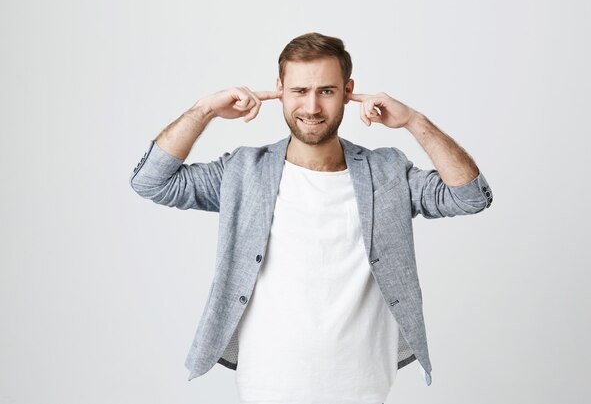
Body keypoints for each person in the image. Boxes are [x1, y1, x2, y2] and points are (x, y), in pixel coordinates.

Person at [129, 32, 493, 404]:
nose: (312, 106)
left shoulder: (387, 173)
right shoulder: (243, 172)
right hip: (266, 386)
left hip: (364, 386)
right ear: (280, 90)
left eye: (327, 91)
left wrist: (414, 121)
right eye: (299, 91)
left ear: (349, 91)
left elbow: (469, 198)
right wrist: (204, 109)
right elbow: (151, 182)